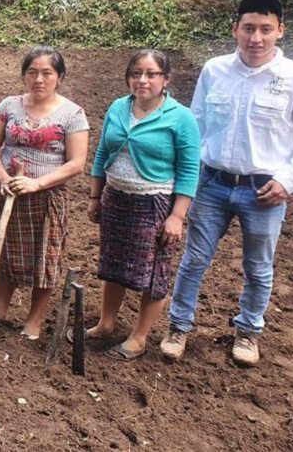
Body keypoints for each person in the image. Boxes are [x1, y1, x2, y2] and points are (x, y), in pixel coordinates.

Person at [161, 0, 293, 366]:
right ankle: (178, 325)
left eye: (266, 29)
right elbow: (195, 125)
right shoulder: (215, 70)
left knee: (258, 266)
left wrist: (288, 180)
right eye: (249, 28)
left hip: (265, 190)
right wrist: (187, 174)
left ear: (280, 31)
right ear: (235, 29)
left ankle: (249, 332)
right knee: (194, 259)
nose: (256, 37)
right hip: (213, 183)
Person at [84, 49, 200, 360]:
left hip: (155, 204)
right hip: (116, 199)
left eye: (151, 74)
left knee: (154, 272)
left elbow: (190, 170)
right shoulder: (118, 108)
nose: (142, 80)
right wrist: (96, 195)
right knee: (113, 265)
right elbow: (100, 154)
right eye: (136, 73)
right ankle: (106, 324)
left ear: (166, 79)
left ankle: (139, 336)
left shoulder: (180, 117)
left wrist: (177, 216)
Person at [0, 46, 89, 340]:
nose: (39, 79)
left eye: (47, 73)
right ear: (24, 75)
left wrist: (37, 184)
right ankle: (0, 313)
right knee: (5, 254)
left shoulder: (72, 114)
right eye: (32, 72)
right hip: (11, 194)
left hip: (47, 198)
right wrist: (2, 177)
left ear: (60, 77)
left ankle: (33, 320)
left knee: (46, 258)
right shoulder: (9, 106)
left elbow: (77, 163)